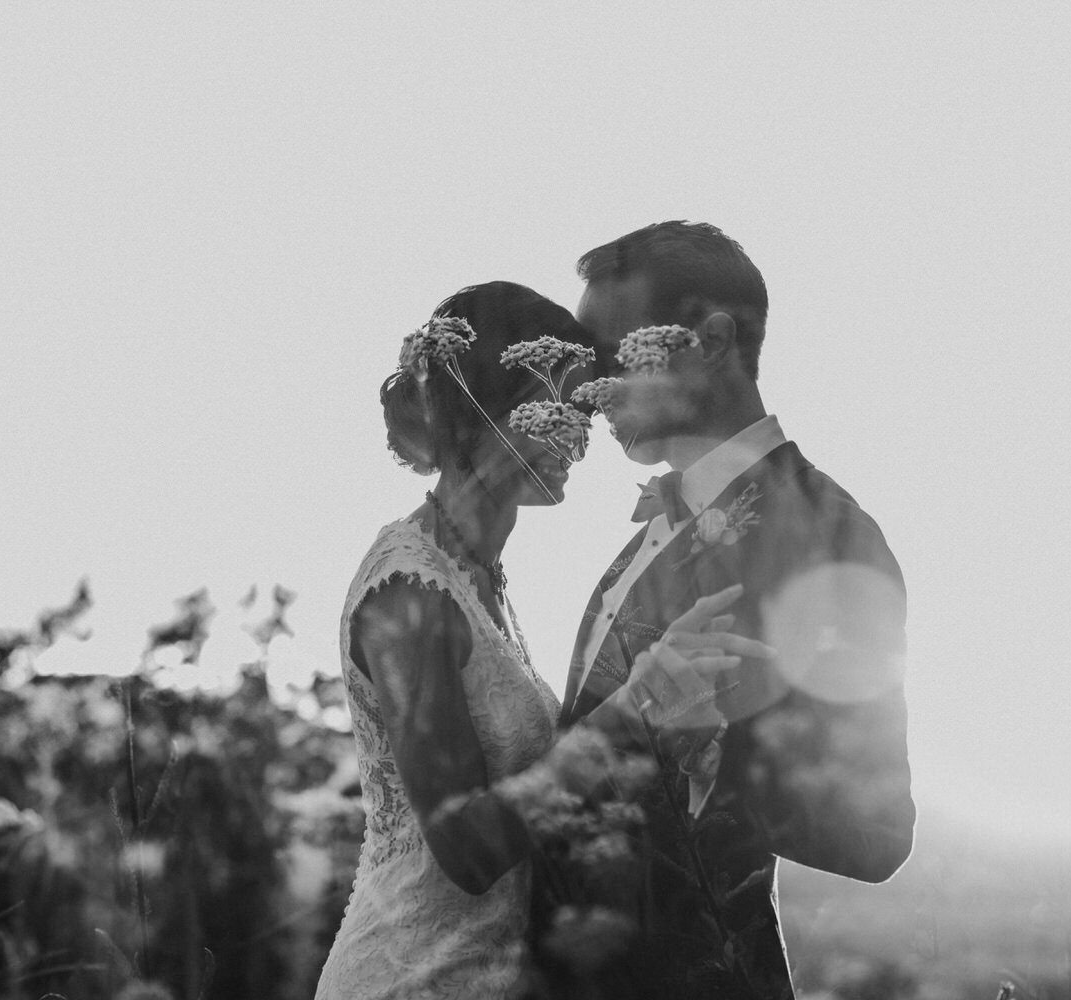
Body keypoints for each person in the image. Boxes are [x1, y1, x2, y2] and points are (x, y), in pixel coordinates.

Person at [314, 281, 770, 1000]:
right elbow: (466, 848)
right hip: (415, 978)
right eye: (555, 405)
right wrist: (635, 704)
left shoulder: (479, 576)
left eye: (582, 408)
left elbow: (543, 789)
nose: (579, 434)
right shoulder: (408, 595)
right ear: (480, 408)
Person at [555, 222, 916, 999]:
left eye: (615, 356)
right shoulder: (648, 533)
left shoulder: (827, 534)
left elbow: (875, 833)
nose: (588, 392)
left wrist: (711, 747)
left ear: (712, 340)